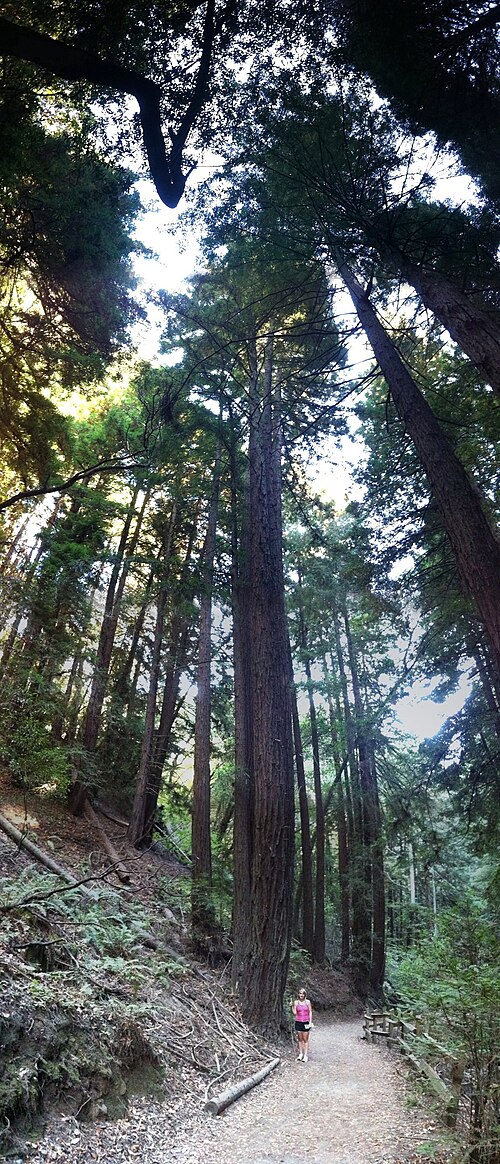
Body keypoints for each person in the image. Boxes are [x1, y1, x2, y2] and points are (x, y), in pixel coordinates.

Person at [291, 987, 313, 1062]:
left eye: (303, 993)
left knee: (305, 1039)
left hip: (306, 1022)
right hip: (298, 1021)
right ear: (298, 994)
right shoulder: (296, 1002)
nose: (301, 995)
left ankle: (305, 1055)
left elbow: (310, 1012)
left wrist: (310, 1021)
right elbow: (295, 1013)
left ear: (305, 995)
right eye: (300, 993)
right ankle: (300, 1054)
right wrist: (292, 1006)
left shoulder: (308, 1002)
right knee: (300, 1039)